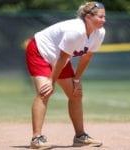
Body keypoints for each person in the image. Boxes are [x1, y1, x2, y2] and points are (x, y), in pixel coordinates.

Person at [25, 1, 106, 149]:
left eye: (104, 17)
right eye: (100, 17)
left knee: (76, 94)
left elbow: (86, 57)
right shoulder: (76, 31)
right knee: (45, 91)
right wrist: (51, 81)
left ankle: (80, 137)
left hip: (59, 58)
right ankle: (36, 139)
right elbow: (62, 58)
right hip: (39, 50)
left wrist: (76, 79)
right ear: (88, 17)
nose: (103, 20)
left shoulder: (99, 33)